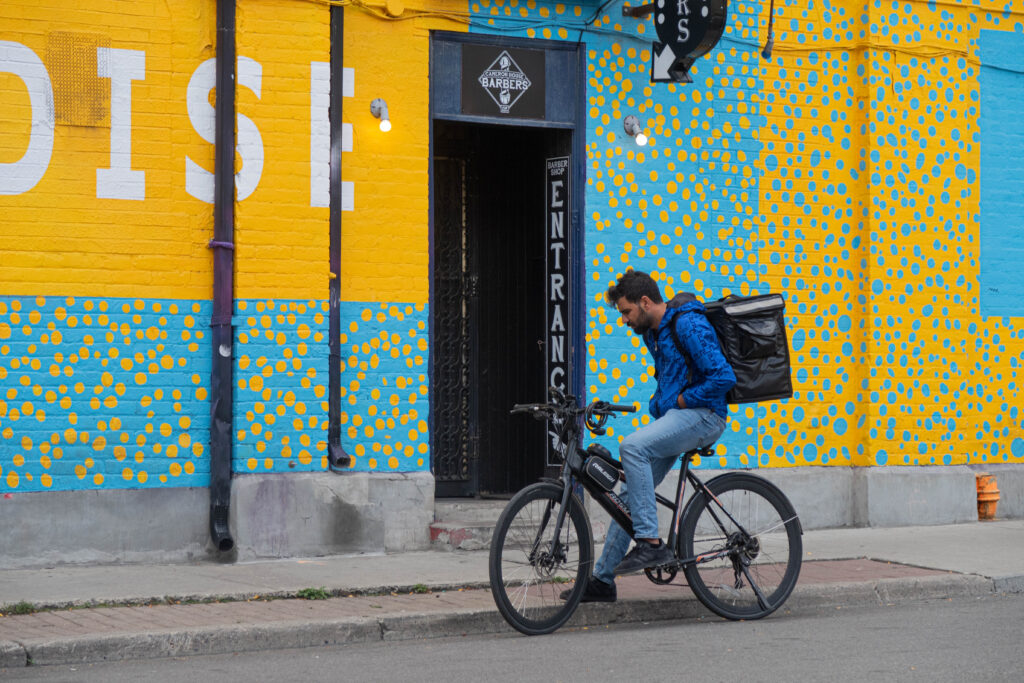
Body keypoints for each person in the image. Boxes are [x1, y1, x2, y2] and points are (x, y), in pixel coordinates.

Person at [567, 270, 736, 603]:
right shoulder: (653, 334)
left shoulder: (688, 324)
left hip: (705, 416)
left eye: (627, 311)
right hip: (678, 418)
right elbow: (671, 379)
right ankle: (602, 581)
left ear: (645, 302)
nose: (624, 320)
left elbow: (723, 377)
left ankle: (650, 543)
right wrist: (663, 405)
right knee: (627, 496)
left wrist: (683, 401)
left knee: (632, 446)